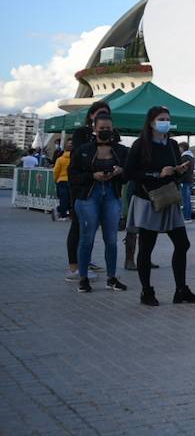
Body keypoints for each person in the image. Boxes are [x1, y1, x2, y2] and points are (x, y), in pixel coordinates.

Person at [127, 106, 195, 307]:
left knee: (183, 243)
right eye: (161, 119)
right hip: (148, 199)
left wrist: (178, 170)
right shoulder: (140, 144)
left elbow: (174, 173)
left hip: (169, 198)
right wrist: (158, 174)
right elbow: (129, 173)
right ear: (151, 122)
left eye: (167, 118)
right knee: (147, 247)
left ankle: (181, 290)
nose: (165, 121)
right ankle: (146, 291)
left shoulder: (172, 144)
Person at [69, 113, 130, 293]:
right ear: (94, 129)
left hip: (111, 195)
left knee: (111, 239)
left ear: (113, 130)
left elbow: (130, 174)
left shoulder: (121, 151)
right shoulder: (84, 150)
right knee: (87, 238)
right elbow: (73, 175)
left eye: (108, 129)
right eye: (101, 128)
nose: (105, 131)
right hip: (89, 196)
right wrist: (92, 176)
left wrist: (120, 171)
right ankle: (83, 278)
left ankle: (111, 277)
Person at [64, 102, 112, 281]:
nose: (103, 117)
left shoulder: (109, 135)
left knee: (91, 226)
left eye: (106, 114)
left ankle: (85, 260)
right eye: (100, 114)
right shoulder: (82, 134)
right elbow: (81, 158)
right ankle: (74, 267)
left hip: (101, 188)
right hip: (82, 186)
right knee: (78, 225)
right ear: (91, 116)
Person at [52, 144, 71, 221]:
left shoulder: (60, 159)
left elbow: (56, 171)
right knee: (70, 199)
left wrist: (56, 180)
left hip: (61, 181)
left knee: (63, 198)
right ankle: (64, 214)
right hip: (72, 181)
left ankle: (61, 213)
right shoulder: (75, 159)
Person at [178, 141, 195, 220]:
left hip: (185, 180)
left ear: (182, 148)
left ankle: (186, 217)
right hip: (190, 180)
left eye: (179, 148)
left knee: (185, 200)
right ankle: (188, 216)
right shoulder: (191, 156)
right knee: (187, 199)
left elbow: (183, 170)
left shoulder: (184, 157)